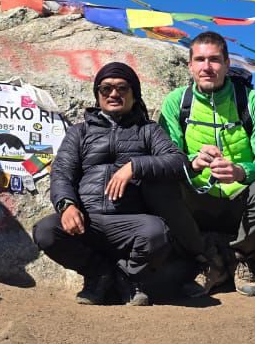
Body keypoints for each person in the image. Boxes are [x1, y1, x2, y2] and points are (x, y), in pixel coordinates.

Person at [32, 62, 190, 306]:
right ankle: (99, 274)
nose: (114, 94)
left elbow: (178, 162)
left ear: (134, 94)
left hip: (130, 221)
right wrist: (67, 205)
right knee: (46, 232)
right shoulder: (79, 132)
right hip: (87, 220)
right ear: (97, 95)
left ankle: (128, 277)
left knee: (157, 233)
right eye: (106, 89)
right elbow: (62, 172)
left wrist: (135, 167)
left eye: (122, 88)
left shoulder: (148, 131)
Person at [159, 31, 255, 297]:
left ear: (228, 64)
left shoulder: (252, 102)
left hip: (241, 200)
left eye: (215, 60)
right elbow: (165, 157)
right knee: (160, 187)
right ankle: (210, 261)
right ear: (190, 65)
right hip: (195, 199)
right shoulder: (176, 103)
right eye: (200, 60)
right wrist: (192, 163)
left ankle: (241, 258)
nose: (207, 67)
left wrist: (242, 171)